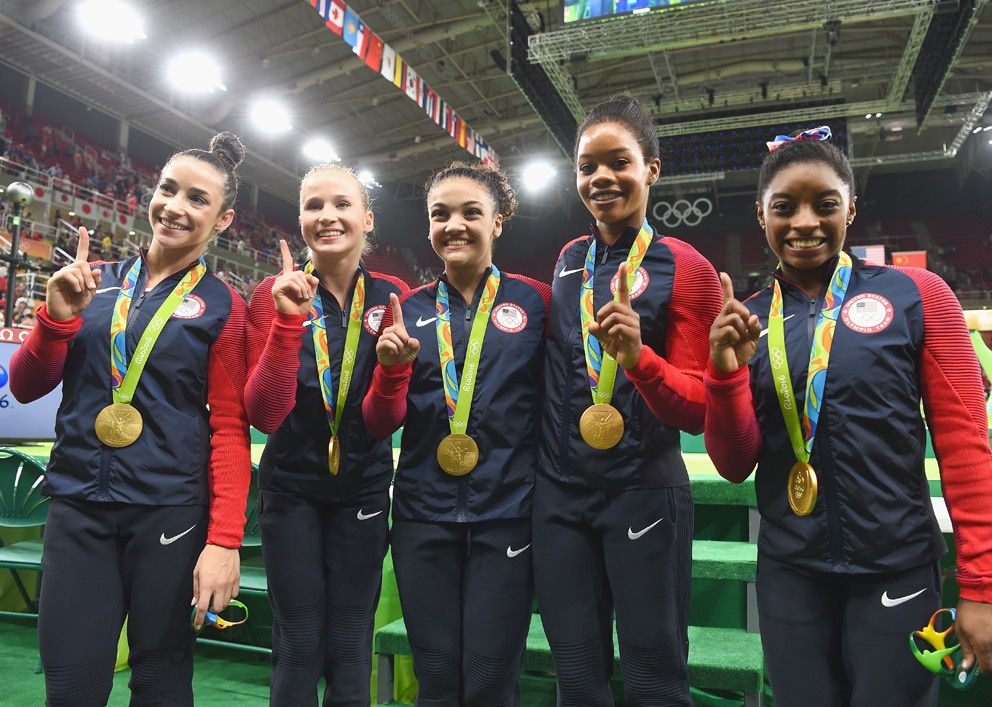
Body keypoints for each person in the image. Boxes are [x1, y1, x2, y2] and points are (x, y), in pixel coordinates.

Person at [703, 127, 992, 706]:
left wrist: (984, 585)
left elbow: (967, 445)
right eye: (784, 207)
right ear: (760, 215)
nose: (804, 223)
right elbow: (733, 460)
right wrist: (724, 375)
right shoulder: (746, 319)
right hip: (789, 574)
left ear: (851, 206)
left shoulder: (916, 294)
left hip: (897, 570)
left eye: (825, 205)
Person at [9, 132, 252, 706]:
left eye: (198, 199)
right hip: (77, 508)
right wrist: (55, 318)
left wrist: (223, 541)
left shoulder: (223, 305)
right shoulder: (92, 282)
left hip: (169, 514)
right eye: (168, 189)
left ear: (223, 221)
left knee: (162, 683)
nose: (175, 206)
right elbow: (24, 387)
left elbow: (230, 429)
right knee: (70, 683)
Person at [532, 93, 721, 706]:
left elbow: (698, 409)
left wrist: (642, 362)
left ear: (652, 169)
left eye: (619, 162)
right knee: (576, 678)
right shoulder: (567, 261)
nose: (601, 178)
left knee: (654, 677)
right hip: (560, 496)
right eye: (587, 167)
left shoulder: (685, 266)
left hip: (644, 491)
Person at [363, 162, 550, 705]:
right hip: (424, 519)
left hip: (508, 516)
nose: (455, 225)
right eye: (440, 214)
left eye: (472, 212)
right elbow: (378, 424)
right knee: (438, 680)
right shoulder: (406, 311)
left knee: (492, 681)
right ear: (428, 226)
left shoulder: (535, 303)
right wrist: (392, 371)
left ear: (497, 222)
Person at [244, 164, 409, 706]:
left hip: (361, 491)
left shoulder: (393, 298)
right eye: (314, 206)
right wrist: (288, 321)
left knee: (350, 642)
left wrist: (390, 371)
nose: (327, 216)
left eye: (342, 204)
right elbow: (263, 415)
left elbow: (388, 417)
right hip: (289, 490)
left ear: (367, 219)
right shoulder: (271, 294)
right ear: (300, 220)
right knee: (298, 644)